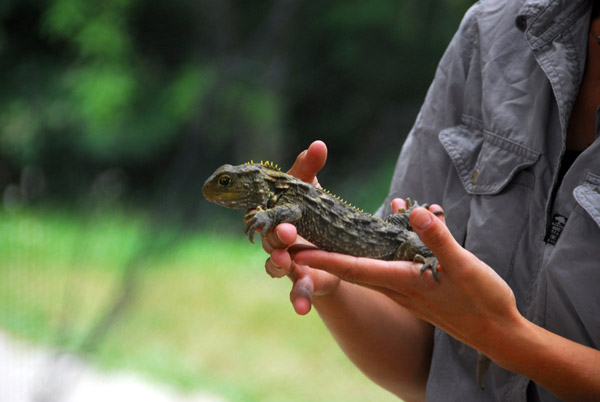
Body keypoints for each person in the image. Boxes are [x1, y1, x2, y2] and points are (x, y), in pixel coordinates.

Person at [260, 0, 600, 401]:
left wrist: (504, 338)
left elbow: (473, 322)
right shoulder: (492, 28)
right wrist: (336, 284)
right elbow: (423, 366)